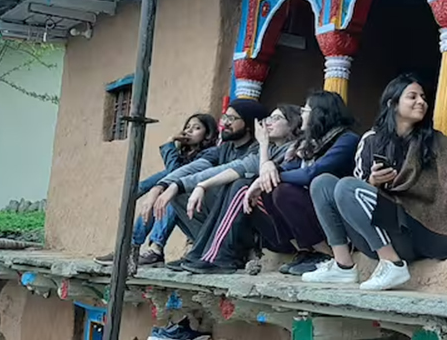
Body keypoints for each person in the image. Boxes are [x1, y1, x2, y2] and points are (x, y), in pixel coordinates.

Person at [303, 74, 447, 291]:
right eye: (412, 97)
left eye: (423, 97)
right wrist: (372, 182)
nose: (421, 102)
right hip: (374, 236)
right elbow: (351, 194)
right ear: (393, 103)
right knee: (323, 183)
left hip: (416, 233)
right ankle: (343, 265)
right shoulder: (371, 140)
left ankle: (392, 264)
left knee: (347, 187)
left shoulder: (433, 141)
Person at [178, 92, 360, 274]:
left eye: (306, 110)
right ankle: (206, 253)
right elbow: (283, 170)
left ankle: (221, 256)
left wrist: (266, 174)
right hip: (292, 230)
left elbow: (310, 174)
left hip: (335, 224)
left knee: (261, 187)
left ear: (320, 113)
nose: (267, 123)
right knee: (259, 187)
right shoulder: (307, 146)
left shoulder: (346, 140)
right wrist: (267, 169)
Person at [134, 99, 266, 266]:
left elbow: (230, 169)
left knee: (236, 185)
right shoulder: (224, 149)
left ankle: (223, 253)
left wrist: (198, 185)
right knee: (175, 194)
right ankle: (202, 248)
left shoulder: (257, 150)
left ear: (249, 124)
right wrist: (162, 186)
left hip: (246, 227)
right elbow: (196, 167)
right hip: (220, 220)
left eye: (231, 119)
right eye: (224, 117)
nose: (224, 123)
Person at [95, 113, 218, 267]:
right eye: (187, 127)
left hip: (210, 227)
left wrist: (169, 142)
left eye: (197, 128)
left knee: (171, 194)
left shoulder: (211, 155)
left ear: (208, 133)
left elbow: (175, 174)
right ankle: (129, 248)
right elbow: (168, 175)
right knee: (164, 190)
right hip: (193, 221)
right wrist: (145, 194)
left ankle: (154, 249)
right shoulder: (184, 158)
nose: (189, 131)